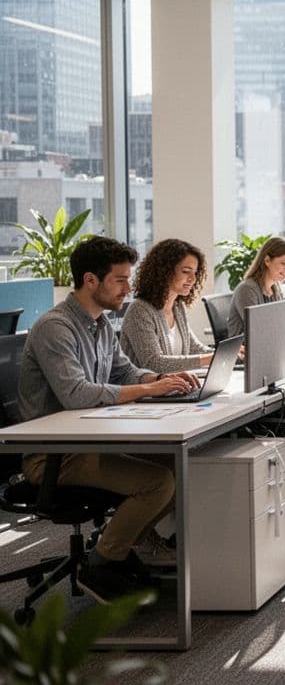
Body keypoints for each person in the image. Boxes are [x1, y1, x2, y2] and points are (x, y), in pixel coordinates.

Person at [18, 237, 199, 603]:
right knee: (158, 481)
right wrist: (149, 390)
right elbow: (78, 394)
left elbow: (125, 370)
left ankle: (123, 547)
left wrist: (158, 382)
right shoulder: (56, 327)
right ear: (90, 281)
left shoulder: (101, 325)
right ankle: (102, 562)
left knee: (180, 465)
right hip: (53, 456)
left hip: (91, 443)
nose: (127, 289)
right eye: (119, 280)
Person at [120, 238, 215, 373]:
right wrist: (210, 358)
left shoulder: (177, 307)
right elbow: (154, 363)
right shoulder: (140, 310)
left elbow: (194, 348)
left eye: (195, 272)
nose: (193, 279)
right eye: (186, 271)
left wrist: (227, 354)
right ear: (165, 271)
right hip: (147, 392)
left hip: (174, 387)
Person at [226, 236, 285, 338]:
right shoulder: (247, 289)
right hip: (246, 351)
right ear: (267, 260)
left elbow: (279, 326)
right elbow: (258, 331)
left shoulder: (276, 289)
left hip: (267, 347)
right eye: (284, 263)